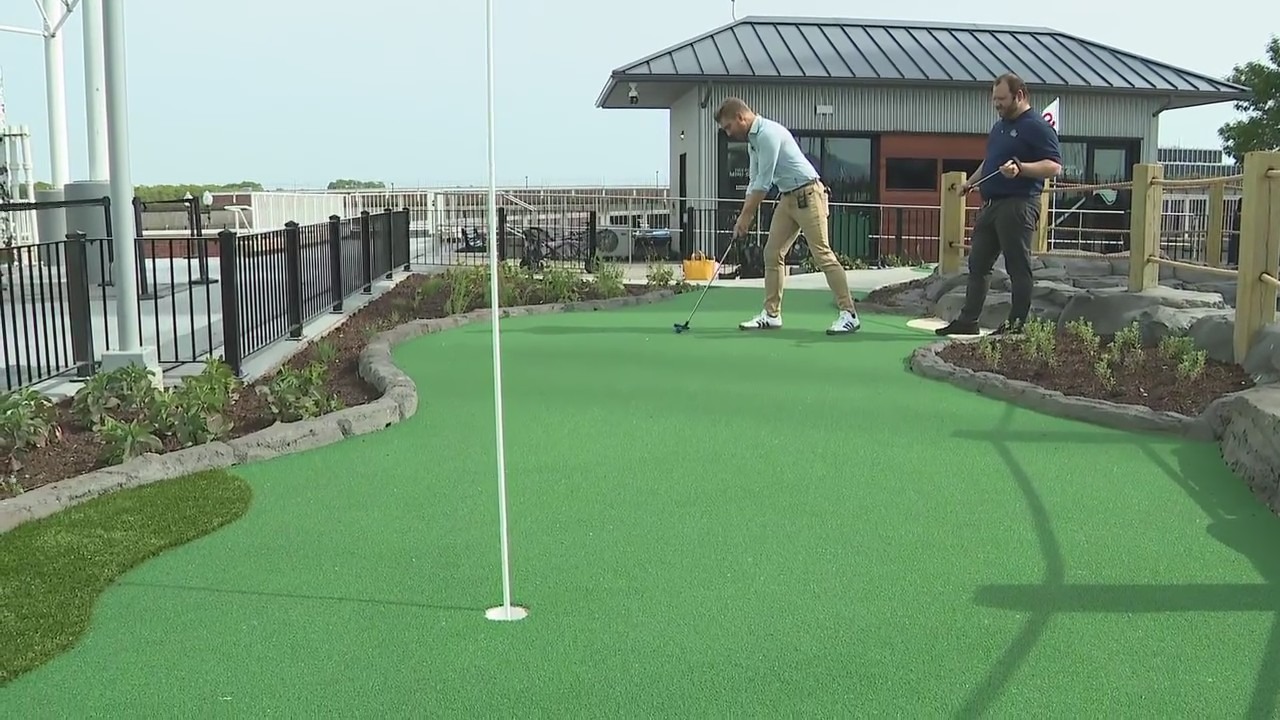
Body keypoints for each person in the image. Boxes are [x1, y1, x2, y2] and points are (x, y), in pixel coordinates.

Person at [714, 97, 861, 335]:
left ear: (741, 117)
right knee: (772, 253)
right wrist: (744, 215)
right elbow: (753, 182)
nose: (729, 133)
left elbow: (764, 182)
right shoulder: (752, 141)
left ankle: (849, 314)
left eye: (729, 127)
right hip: (788, 197)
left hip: (809, 194)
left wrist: (745, 218)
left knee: (822, 254)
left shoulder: (768, 134)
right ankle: (772, 314)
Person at [935, 73, 1063, 336]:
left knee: (1017, 265)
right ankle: (968, 320)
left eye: (1002, 99)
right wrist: (969, 183)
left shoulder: (1037, 126)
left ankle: (1016, 325)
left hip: (1018, 204)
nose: (997, 104)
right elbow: (990, 162)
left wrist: (1021, 168)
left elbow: (1054, 166)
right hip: (990, 204)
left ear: (1020, 95)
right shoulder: (999, 127)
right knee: (978, 264)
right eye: (995, 99)